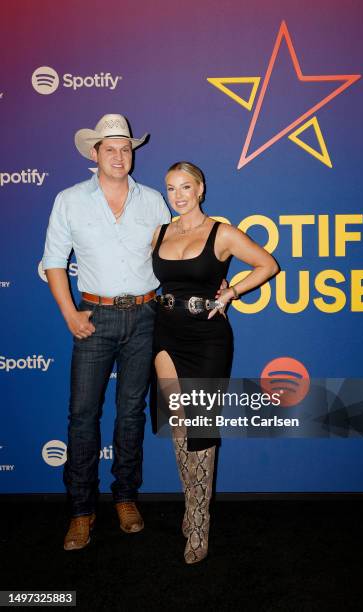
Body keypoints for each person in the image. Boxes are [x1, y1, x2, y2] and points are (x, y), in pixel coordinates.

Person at [42, 114, 171, 550]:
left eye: (126, 148)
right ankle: (81, 510)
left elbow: (171, 258)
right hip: (92, 318)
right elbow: (54, 262)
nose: (119, 156)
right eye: (110, 148)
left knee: (132, 413)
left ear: (133, 154)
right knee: (82, 417)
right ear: (94, 154)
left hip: (145, 315)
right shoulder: (69, 200)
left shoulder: (154, 200)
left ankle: (125, 497)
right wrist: (70, 315)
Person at [151, 161, 280, 564]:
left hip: (207, 339)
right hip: (165, 337)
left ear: (201, 188)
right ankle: (190, 508)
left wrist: (232, 293)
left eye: (185, 187)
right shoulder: (158, 232)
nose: (178, 195)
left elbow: (268, 264)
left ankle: (199, 522)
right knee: (178, 426)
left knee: (201, 429)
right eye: (171, 188)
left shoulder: (221, 232)